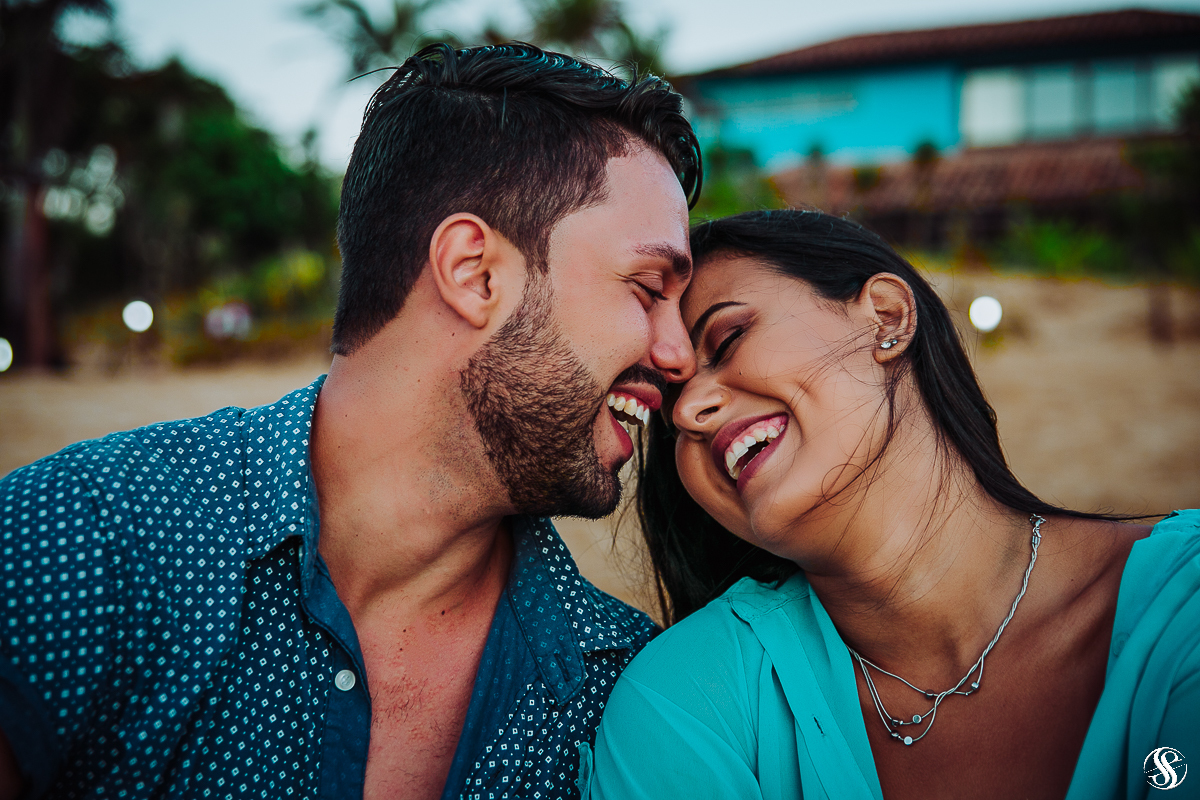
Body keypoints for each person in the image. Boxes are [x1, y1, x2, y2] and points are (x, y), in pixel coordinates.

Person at [0, 43, 702, 800]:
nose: (680, 355)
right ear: (476, 274)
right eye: (648, 287)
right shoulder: (89, 538)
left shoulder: (620, 696)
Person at [590, 210, 1198, 800]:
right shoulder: (688, 701)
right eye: (667, 408)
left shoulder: (1180, 612)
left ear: (885, 316)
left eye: (727, 338)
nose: (689, 411)